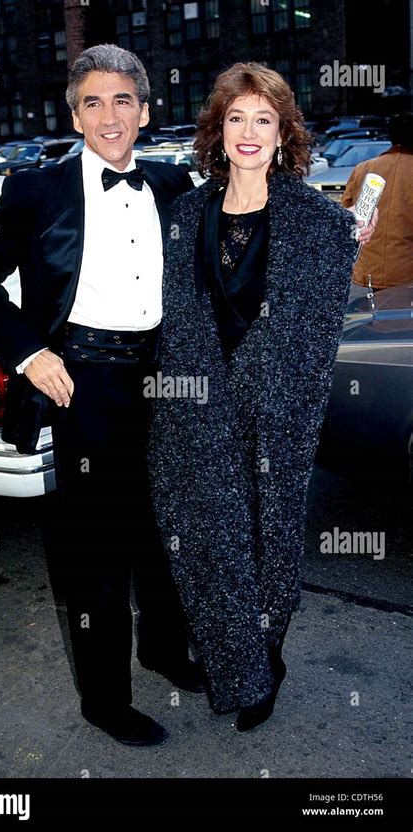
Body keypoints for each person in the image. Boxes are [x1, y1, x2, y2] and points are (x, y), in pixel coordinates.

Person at [0, 44, 203, 749]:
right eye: (92, 101)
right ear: (74, 113)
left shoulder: (174, 183)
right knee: (96, 549)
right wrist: (30, 354)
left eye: (123, 99)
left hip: (164, 378)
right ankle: (104, 699)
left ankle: (164, 649)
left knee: (166, 530)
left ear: (146, 111)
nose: (109, 114)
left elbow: (234, 252)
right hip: (81, 381)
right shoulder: (35, 191)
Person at [146, 62, 377, 732]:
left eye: (263, 119)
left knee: (269, 541)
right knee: (214, 545)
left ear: (284, 132)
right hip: (197, 410)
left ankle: (266, 659)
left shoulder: (314, 219)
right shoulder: (183, 216)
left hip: (276, 412)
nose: (249, 132)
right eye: (236, 118)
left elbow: (318, 326)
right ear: (217, 132)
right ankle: (239, 663)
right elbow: (167, 314)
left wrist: (350, 245)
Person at [342, 111, 413, 293]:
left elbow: (347, 213)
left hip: (371, 267)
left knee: (381, 318)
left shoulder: (364, 168)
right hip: (407, 268)